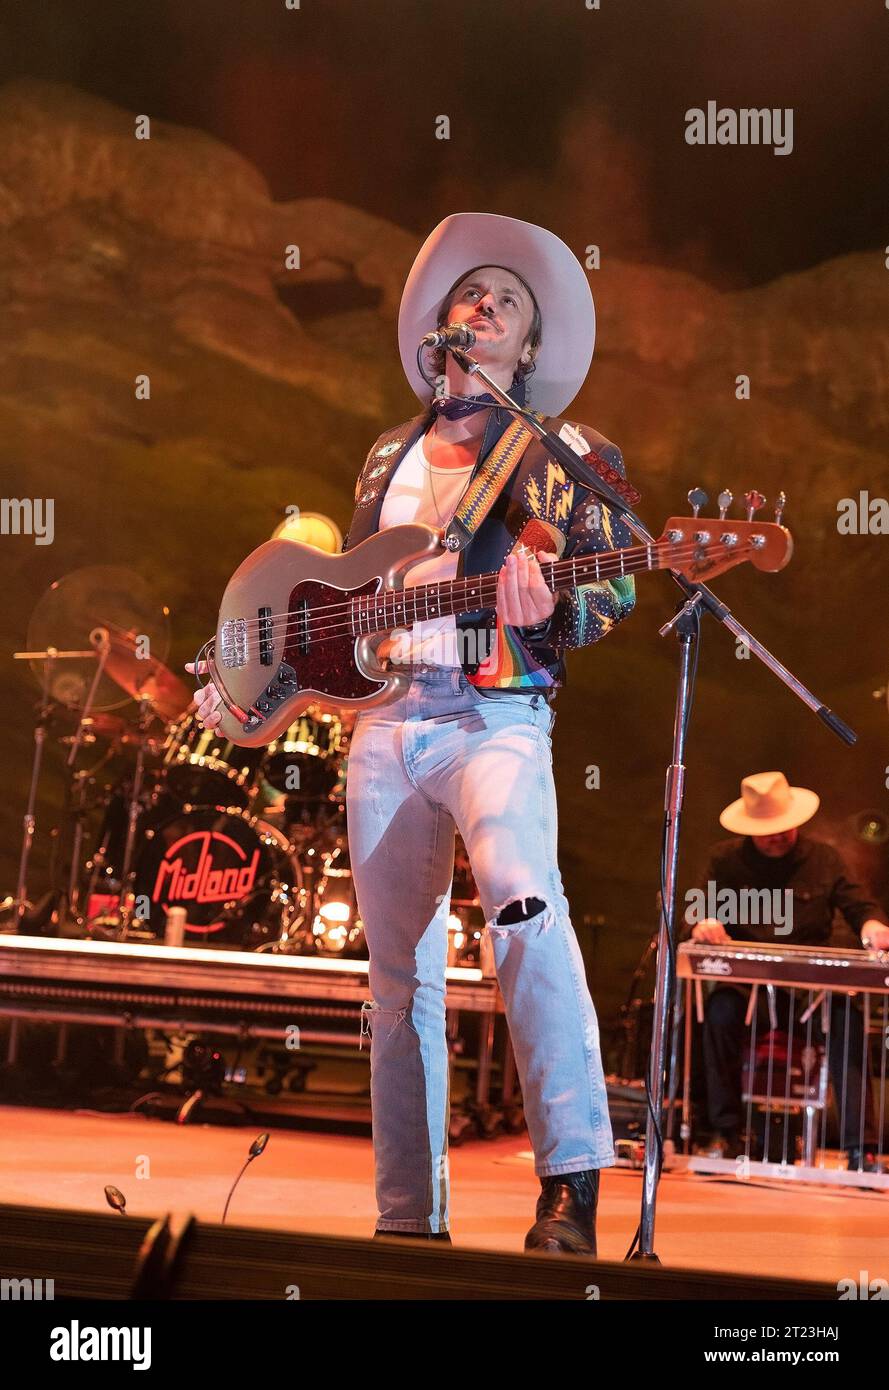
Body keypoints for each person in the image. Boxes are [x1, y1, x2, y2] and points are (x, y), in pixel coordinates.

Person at [192, 213, 638, 1252]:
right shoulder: (383, 455)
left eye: (506, 301)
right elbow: (341, 606)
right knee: (397, 979)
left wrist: (552, 608)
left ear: (527, 348)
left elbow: (614, 576)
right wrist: (261, 687)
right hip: (386, 722)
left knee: (526, 904)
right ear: (441, 325)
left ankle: (570, 1188)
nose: (481, 306)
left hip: (495, 716)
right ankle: (406, 1218)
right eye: (468, 294)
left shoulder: (568, 454)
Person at [687, 770, 889, 1168]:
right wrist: (703, 921)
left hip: (808, 994)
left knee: (847, 1022)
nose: (777, 836)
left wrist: (873, 925)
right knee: (717, 1014)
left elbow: (860, 906)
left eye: (784, 828)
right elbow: (696, 910)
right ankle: (727, 1132)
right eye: (767, 830)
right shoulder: (724, 861)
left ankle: (859, 1148)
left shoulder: (825, 859)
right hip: (747, 991)